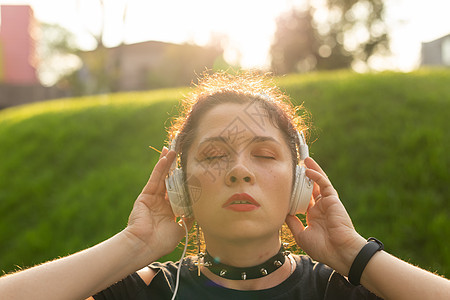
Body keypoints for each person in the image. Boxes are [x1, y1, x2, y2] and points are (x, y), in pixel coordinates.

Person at [0, 71, 448, 300]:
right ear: (179, 184)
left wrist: (356, 256)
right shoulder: (149, 292)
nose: (239, 171)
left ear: (298, 181)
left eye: (265, 154)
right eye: (214, 155)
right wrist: (134, 245)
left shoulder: (338, 291)